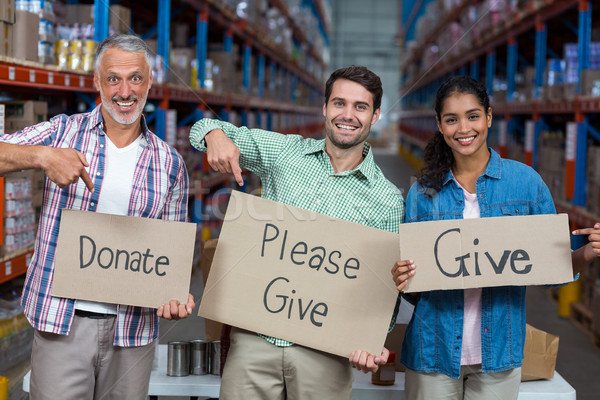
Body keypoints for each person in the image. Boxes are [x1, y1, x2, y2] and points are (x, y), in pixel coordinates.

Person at [189, 65, 407, 399]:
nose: (347, 115)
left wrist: (372, 339)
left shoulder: (387, 200)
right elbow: (203, 126)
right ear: (325, 108)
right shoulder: (285, 153)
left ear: (376, 115)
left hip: (325, 349)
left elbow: (383, 288)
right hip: (256, 337)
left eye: (360, 107)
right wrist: (214, 137)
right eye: (339, 103)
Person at [0, 34, 195, 400]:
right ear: (96, 82)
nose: (125, 91)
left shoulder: (170, 164)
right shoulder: (62, 132)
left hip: (132, 332)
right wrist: (42, 156)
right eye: (113, 78)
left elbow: (174, 256)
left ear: (150, 81)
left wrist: (174, 296)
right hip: (63, 324)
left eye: (136, 78)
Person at [391, 75, 600, 400]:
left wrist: (586, 253)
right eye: (451, 119)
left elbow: (551, 271)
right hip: (431, 351)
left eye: (473, 116)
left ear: (488, 117)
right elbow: (414, 287)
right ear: (439, 124)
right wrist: (402, 277)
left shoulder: (527, 185)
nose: (463, 128)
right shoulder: (422, 193)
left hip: (498, 355)